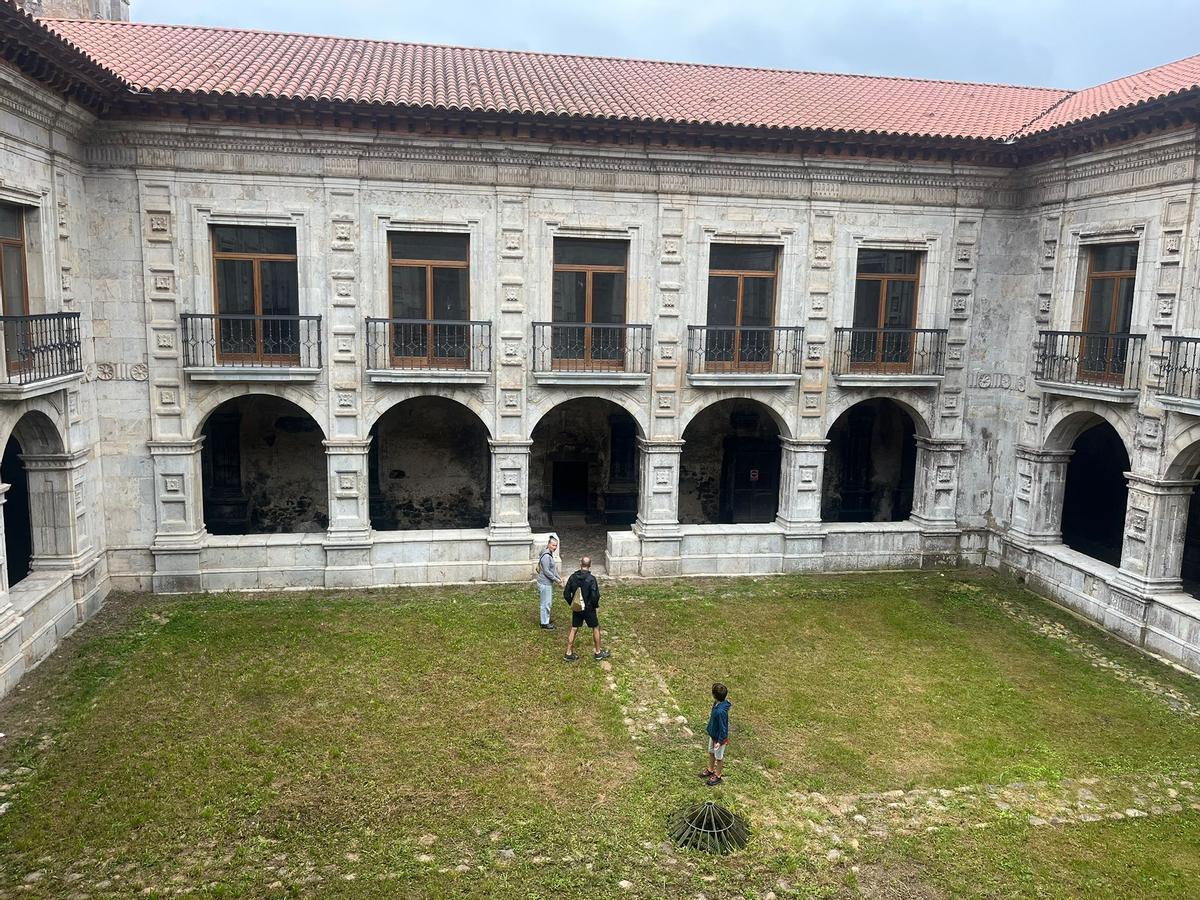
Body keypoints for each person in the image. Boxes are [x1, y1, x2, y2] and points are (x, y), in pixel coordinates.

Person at [562, 556, 608, 662]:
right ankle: (598, 652)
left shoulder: (573, 577)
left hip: (577, 608)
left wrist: (573, 604)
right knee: (595, 627)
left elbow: (566, 594)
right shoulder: (591, 579)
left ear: (580, 564)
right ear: (590, 565)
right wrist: (594, 605)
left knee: (574, 628)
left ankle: (568, 653)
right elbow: (595, 596)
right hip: (589, 608)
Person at [700, 682, 730, 786]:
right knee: (711, 752)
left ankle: (717, 775)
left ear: (714, 695)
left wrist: (720, 741)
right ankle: (710, 769)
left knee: (719, 757)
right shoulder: (716, 703)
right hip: (713, 735)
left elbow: (724, 728)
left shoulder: (721, 711)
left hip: (719, 739)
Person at [535, 534, 562, 630]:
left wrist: (558, 577)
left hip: (547, 583)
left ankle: (545, 619)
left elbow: (553, 569)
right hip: (544, 583)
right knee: (545, 603)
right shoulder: (546, 556)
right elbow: (547, 571)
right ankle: (544, 623)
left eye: (556, 545)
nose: (555, 547)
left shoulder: (548, 553)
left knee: (547, 603)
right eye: (553, 545)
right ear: (549, 544)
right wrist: (556, 579)